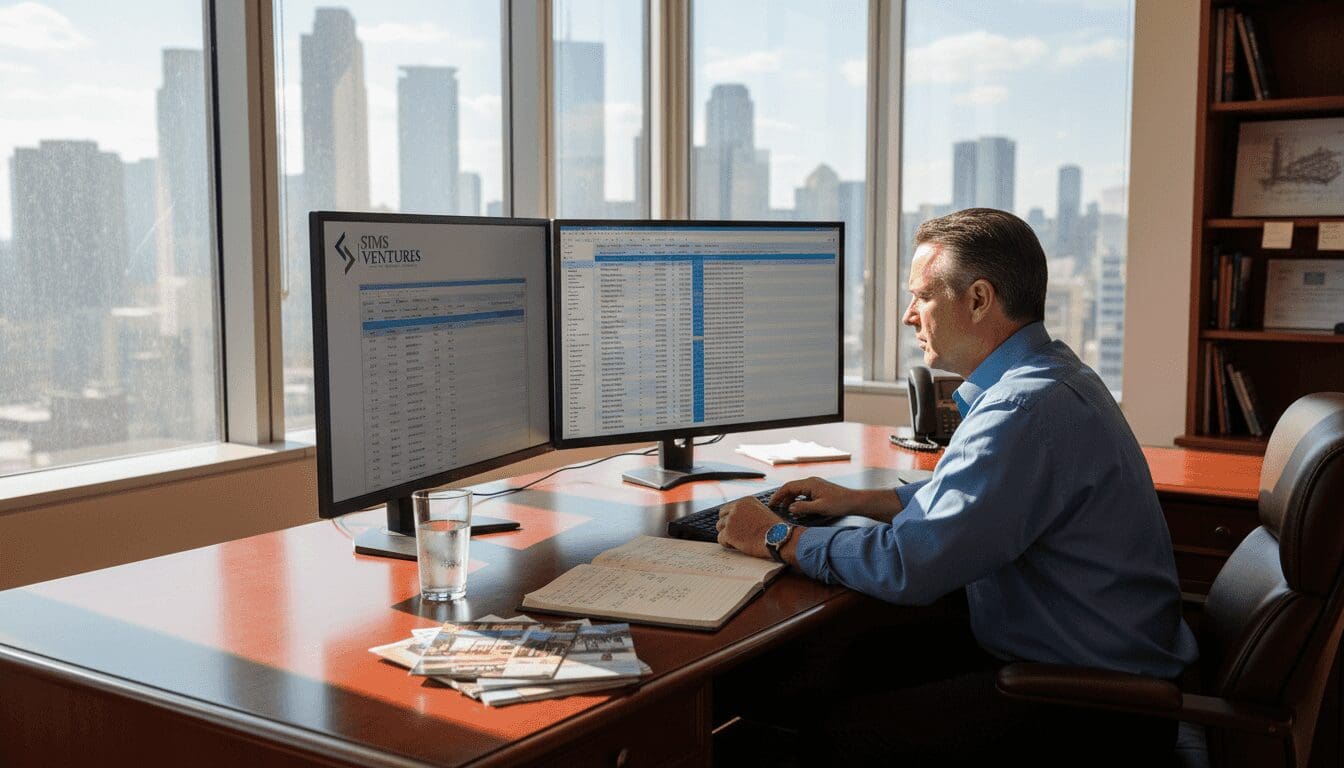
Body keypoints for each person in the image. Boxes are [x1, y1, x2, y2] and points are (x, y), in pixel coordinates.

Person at [715, 207, 1197, 765]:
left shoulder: (1020, 409)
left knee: (838, 729)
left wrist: (777, 538)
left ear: (978, 300)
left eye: (921, 295)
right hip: (1087, 666)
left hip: (1095, 710)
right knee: (831, 662)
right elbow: (988, 504)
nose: (907, 316)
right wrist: (864, 500)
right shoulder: (1056, 376)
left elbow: (908, 565)